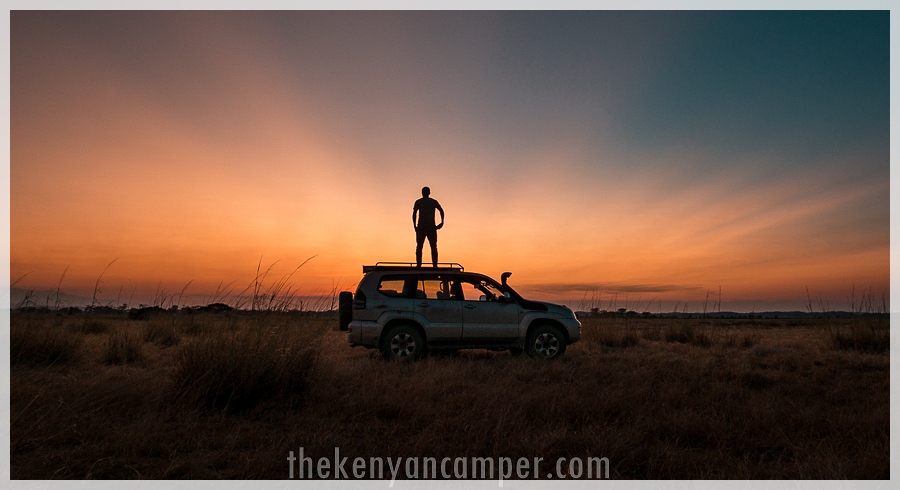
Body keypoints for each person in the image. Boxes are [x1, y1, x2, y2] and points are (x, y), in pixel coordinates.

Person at [412, 186, 444, 267]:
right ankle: (433, 265)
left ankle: (421, 265)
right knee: (430, 247)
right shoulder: (431, 202)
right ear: (429, 193)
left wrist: (415, 226)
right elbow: (441, 210)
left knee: (422, 246)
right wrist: (441, 222)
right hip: (427, 227)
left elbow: (414, 214)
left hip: (425, 227)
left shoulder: (420, 202)